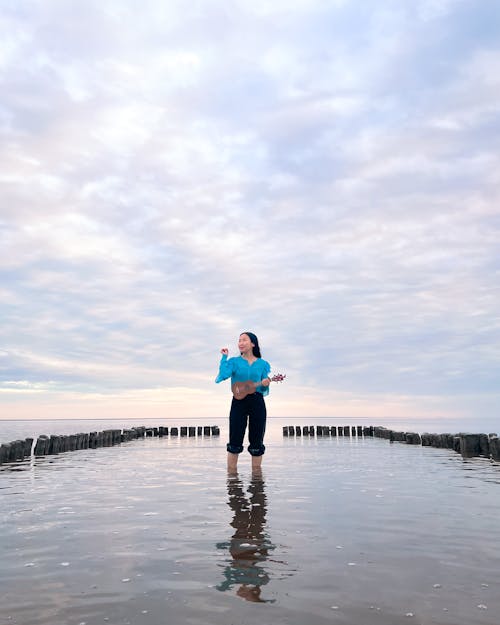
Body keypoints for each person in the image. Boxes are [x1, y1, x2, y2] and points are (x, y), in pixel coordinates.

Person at [215, 332, 271, 472]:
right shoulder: (234, 362)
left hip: (257, 402)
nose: (240, 343)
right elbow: (223, 375)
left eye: (244, 340)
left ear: (253, 343)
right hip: (238, 402)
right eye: (239, 340)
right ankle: (232, 480)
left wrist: (265, 383)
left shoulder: (263, 364)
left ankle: (257, 482)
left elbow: (264, 387)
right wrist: (224, 357)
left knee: (257, 441)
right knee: (235, 440)